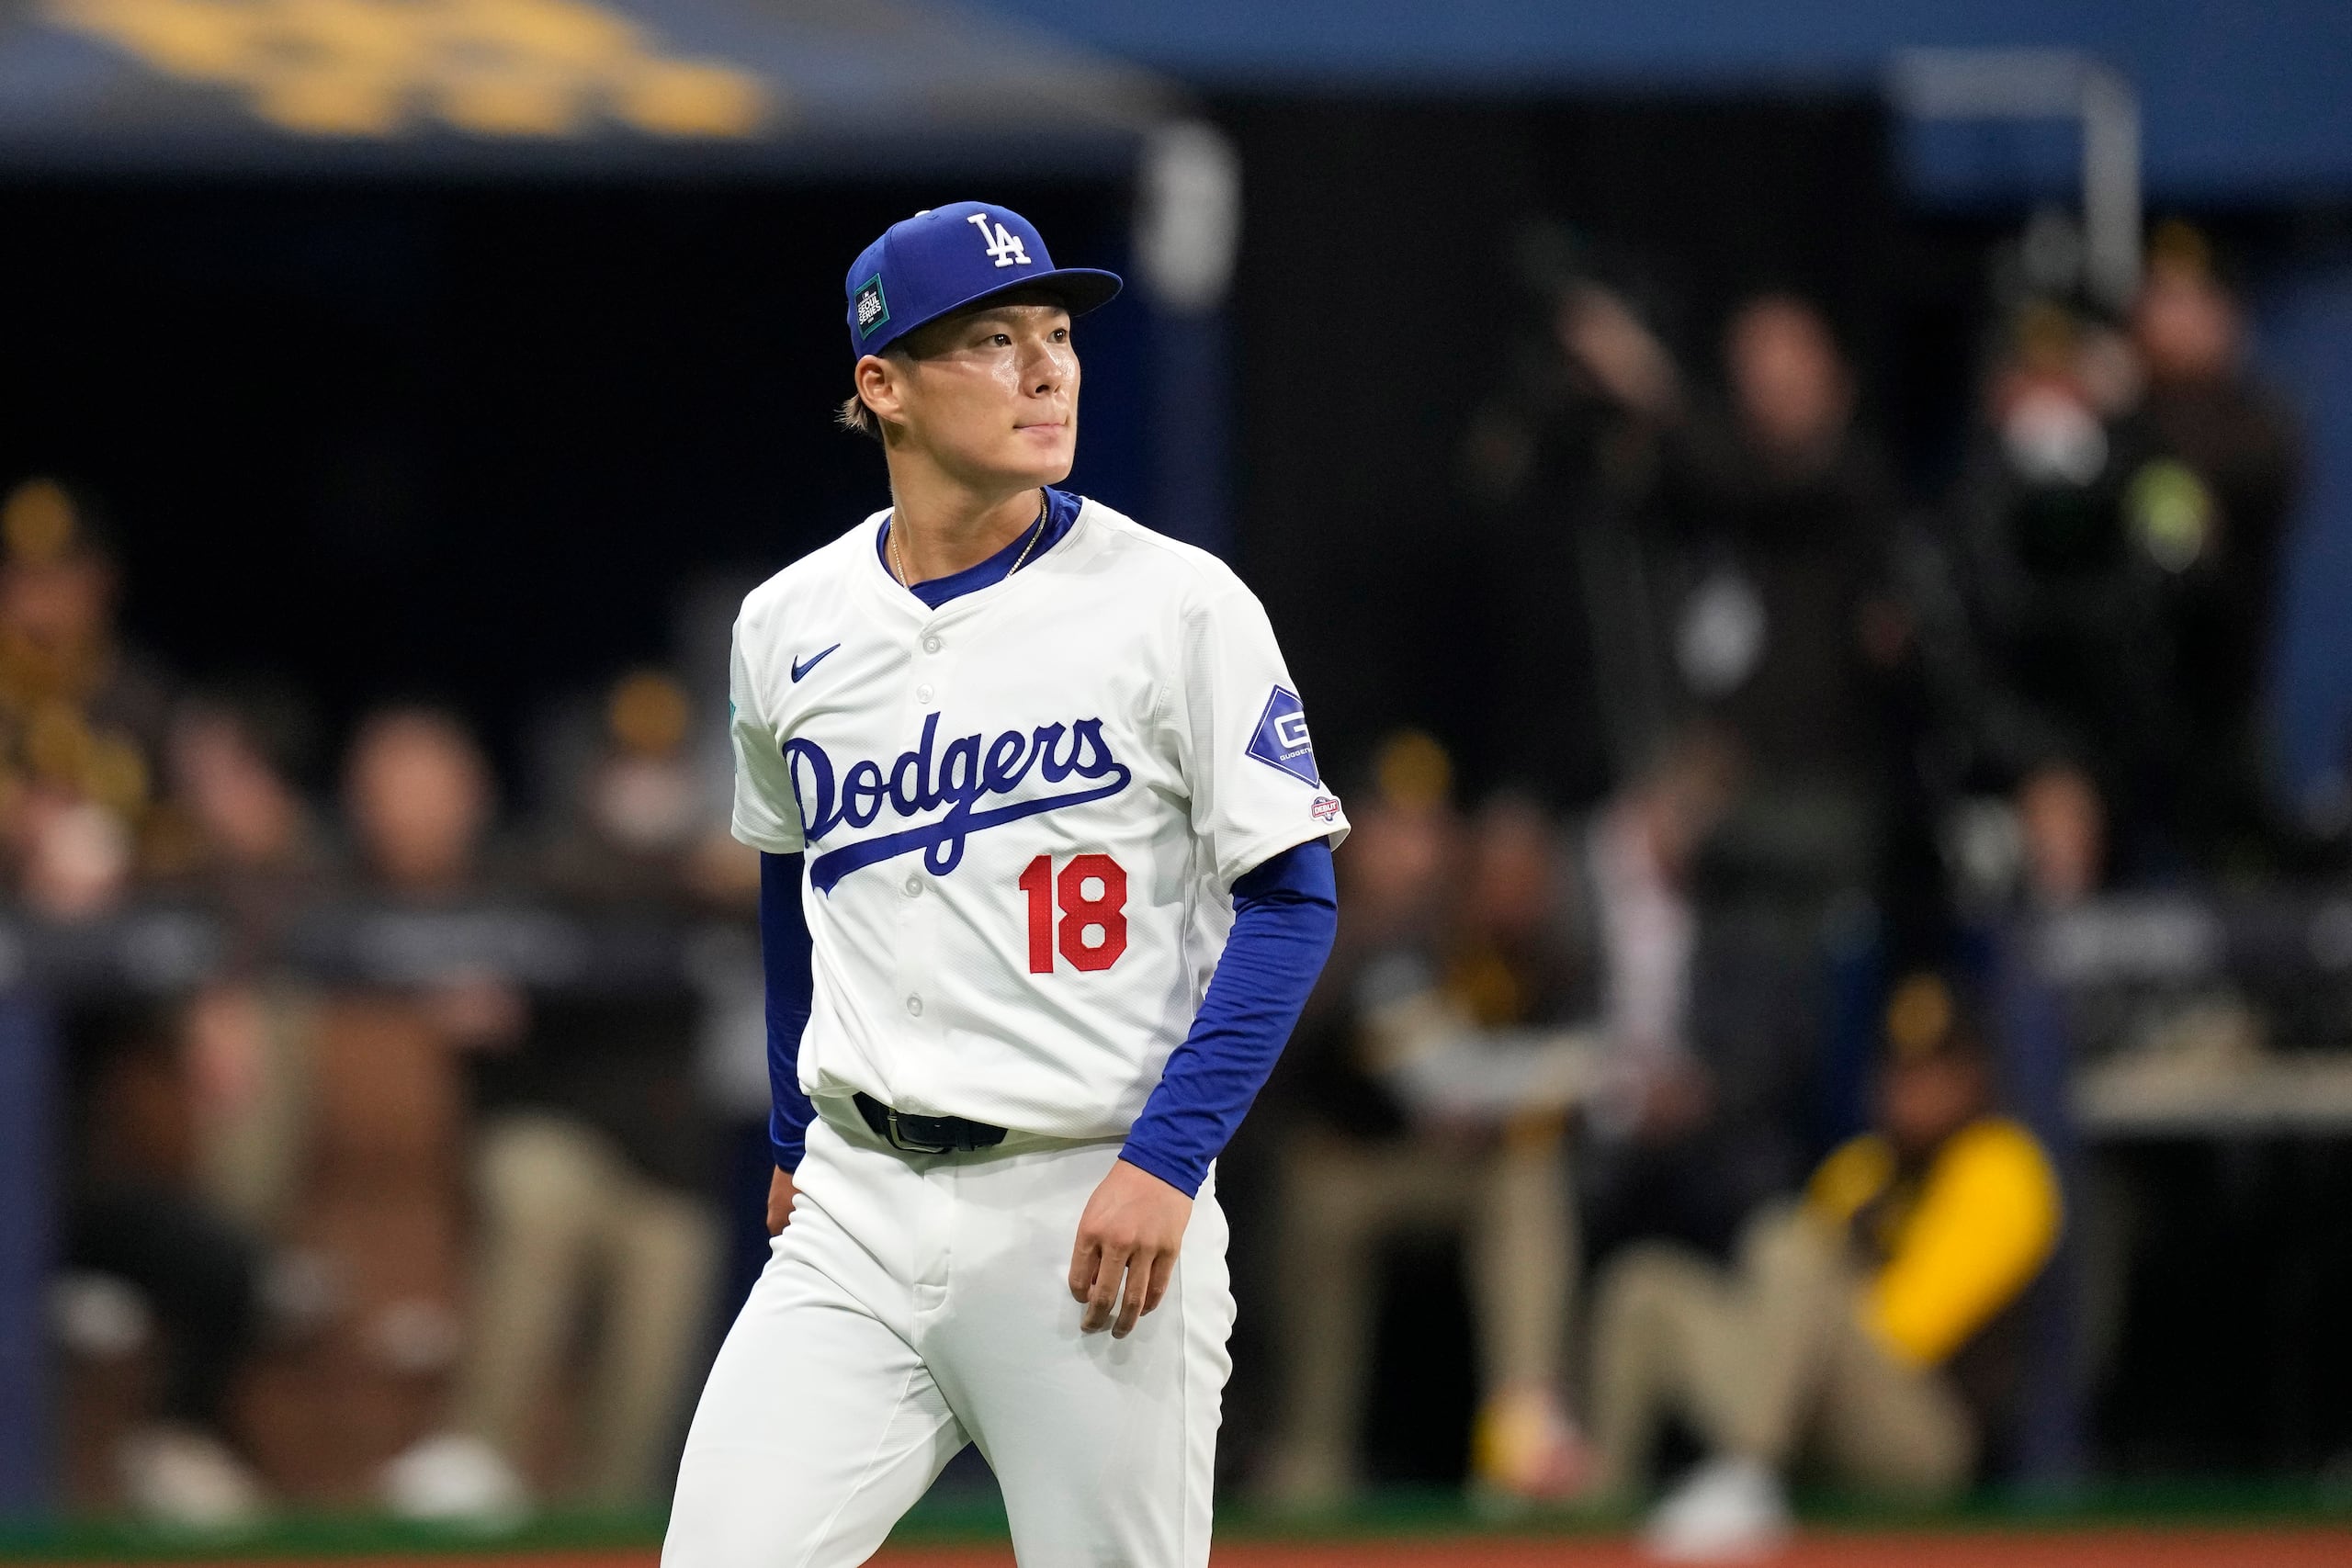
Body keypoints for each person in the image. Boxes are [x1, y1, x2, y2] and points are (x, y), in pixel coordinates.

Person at [662, 202, 1345, 1568]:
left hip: (1088, 1206)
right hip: (857, 1210)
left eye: (1054, 335)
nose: (1048, 370)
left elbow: (1293, 900)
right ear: (883, 387)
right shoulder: (788, 624)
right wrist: (799, 1130)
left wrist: (1168, 1157)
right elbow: (791, 883)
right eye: (991, 340)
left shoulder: (1178, 602)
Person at [1580, 974, 2062, 1561]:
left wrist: (1812, 1306)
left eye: (1936, 1070)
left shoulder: (2003, 1168)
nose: (1913, 1089)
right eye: (1900, 1069)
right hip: (1811, 1414)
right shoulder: (1862, 1169)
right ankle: (1594, 1517)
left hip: (1924, 1441)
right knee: (1645, 1287)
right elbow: (1783, 1320)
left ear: (1974, 1077)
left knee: (1787, 1246)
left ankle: (1746, 1475)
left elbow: (1904, 1330)